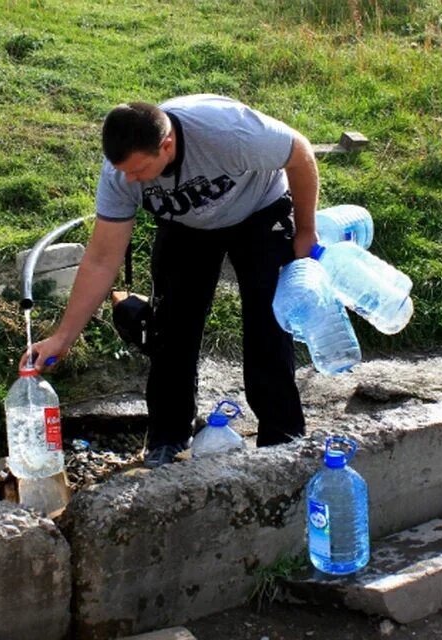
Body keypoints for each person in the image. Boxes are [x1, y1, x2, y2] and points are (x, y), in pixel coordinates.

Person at [23, 94, 320, 468]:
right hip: (186, 226)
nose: (130, 180)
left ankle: (282, 443)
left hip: (259, 210)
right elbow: (101, 260)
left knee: (268, 328)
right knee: (171, 330)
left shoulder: (228, 131)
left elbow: (300, 153)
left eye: (138, 170)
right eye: (124, 171)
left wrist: (306, 231)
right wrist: (63, 337)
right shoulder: (121, 173)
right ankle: (168, 438)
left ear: (167, 145)